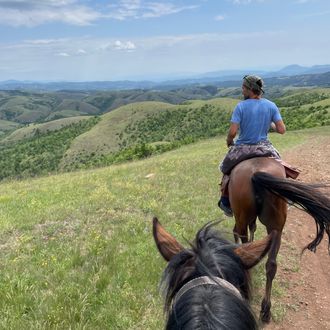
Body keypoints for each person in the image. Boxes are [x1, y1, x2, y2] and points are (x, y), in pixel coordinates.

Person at [218, 75, 286, 217]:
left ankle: (225, 201)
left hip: (243, 147)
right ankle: (284, 197)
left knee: (225, 169)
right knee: (281, 166)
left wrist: (229, 141)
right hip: (264, 147)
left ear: (250, 89)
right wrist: (270, 123)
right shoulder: (271, 105)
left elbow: (232, 132)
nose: (242, 90)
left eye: (243, 87)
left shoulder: (240, 106)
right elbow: (282, 130)